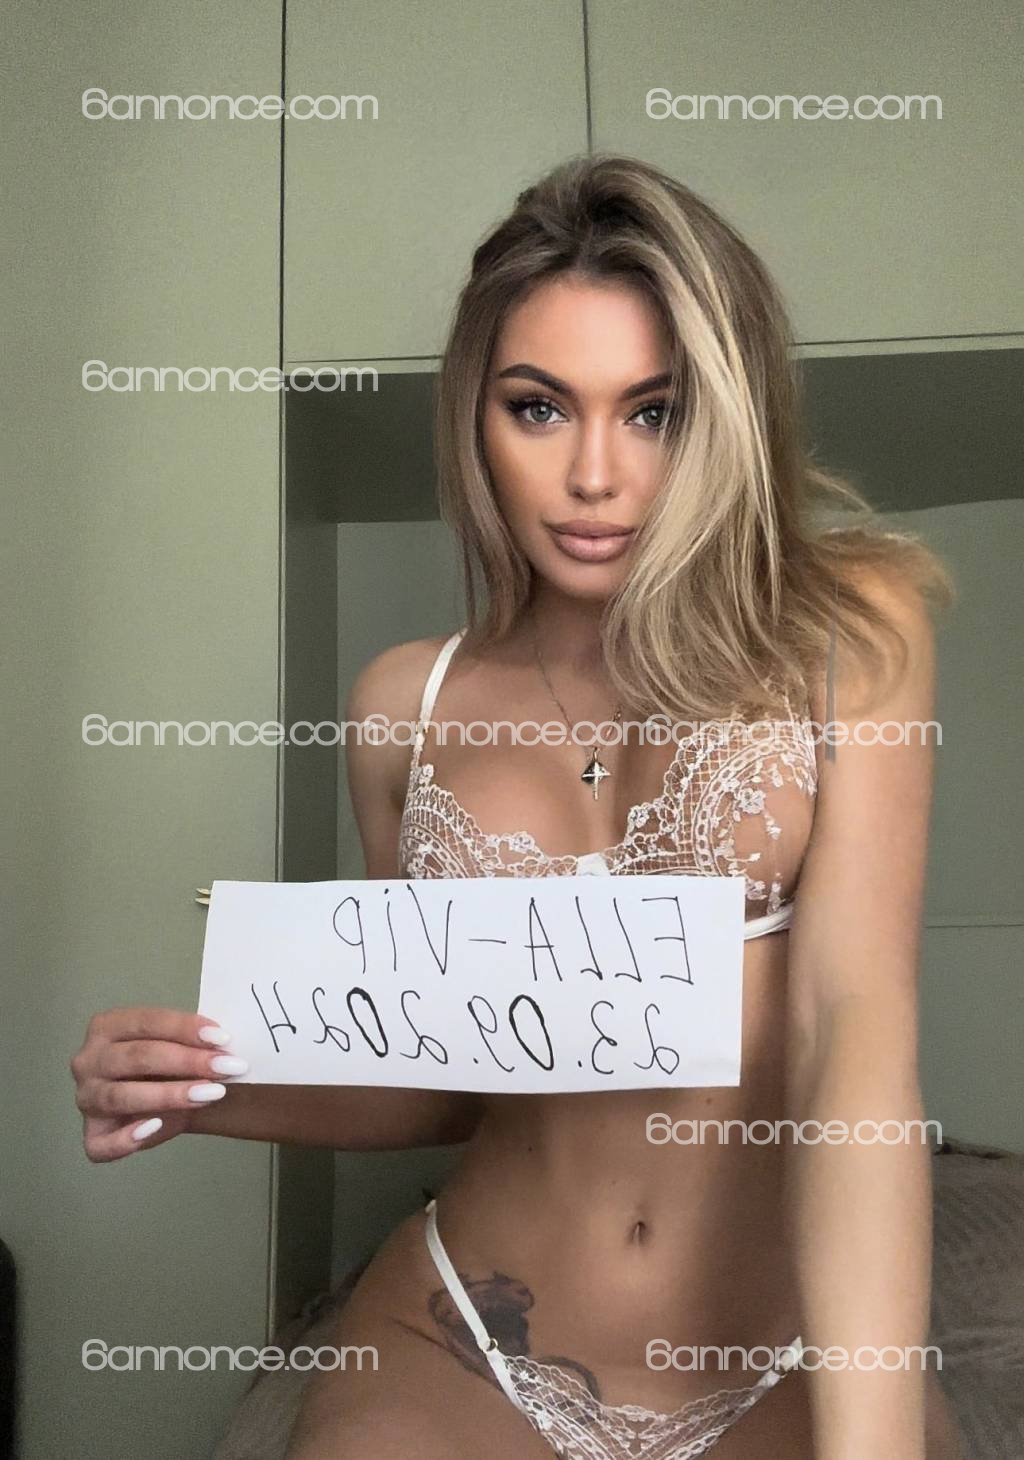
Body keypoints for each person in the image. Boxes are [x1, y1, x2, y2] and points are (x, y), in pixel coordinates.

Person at [72, 155, 966, 1459]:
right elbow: (440, 1076)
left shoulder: (848, 630)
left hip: (775, 1354)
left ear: (721, 417)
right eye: (539, 408)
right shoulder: (404, 705)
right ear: (474, 417)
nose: (594, 474)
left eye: (652, 412)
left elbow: (856, 1035)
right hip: (468, 1343)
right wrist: (207, 1090)